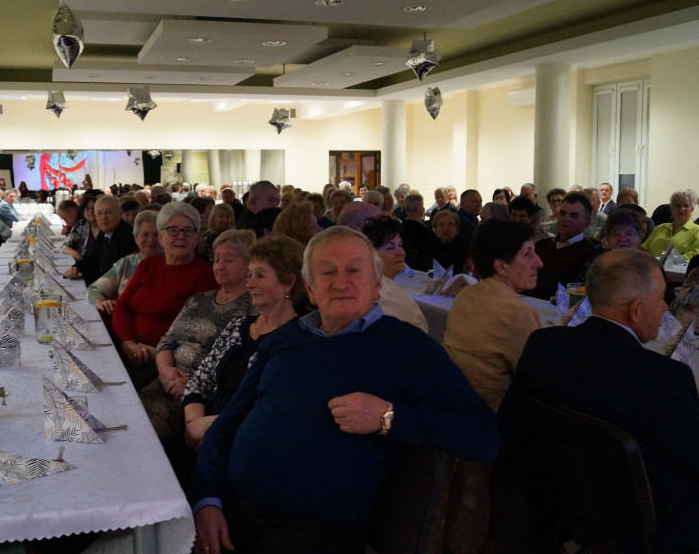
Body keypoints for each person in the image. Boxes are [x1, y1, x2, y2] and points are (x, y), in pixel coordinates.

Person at [190, 227, 498, 554]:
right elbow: (228, 424)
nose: (340, 282)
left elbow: (482, 435)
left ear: (377, 283)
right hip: (231, 508)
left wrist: (388, 417)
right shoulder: (286, 339)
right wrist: (206, 499)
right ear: (309, 287)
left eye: (354, 270)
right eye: (327, 272)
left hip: (314, 531)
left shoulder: (408, 349)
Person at [500, 249, 699, 553]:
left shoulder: (544, 344)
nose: (666, 308)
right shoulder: (662, 377)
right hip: (654, 523)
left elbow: (512, 426)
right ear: (637, 309)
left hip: (570, 498)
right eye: (660, 301)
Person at [182, 236, 304, 451]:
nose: (250, 283)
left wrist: (210, 428)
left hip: (245, 441)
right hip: (203, 427)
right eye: (249, 275)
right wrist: (194, 423)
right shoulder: (238, 326)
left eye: (260, 275)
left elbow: (269, 411)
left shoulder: (295, 340)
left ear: (289, 282)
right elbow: (200, 380)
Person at [141, 229, 257, 438]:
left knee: (143, 433)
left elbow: (234, 368)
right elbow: (167, 340)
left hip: (200, 396)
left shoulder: (252, 309)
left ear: (249, 265)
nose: (220, 266)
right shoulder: (198, 300)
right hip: (165, 381)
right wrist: (166, 371)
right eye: (216, 260)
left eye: (228, 260)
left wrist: (191, 385)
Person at [113, 203, 217, 388]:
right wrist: (127, 343)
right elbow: (122, 307)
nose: (181, 237)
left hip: (166, 365)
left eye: (188, 230)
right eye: (173, 230)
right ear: (161, 237)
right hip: (130, 352)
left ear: (197, 238)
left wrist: (157, 354)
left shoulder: (205, 276)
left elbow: (200, 337)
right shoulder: (149, 265)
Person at [444, 220, 542, 411]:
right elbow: (538, 381)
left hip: (455, 405)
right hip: (492, 419)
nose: (539, 262)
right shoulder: (517, 314)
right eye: (527, 254)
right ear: (501, 266)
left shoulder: (467, 294)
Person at [87, 210, 161, 318]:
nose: (151, 239)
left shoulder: (171, 263)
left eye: (156, 235)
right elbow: (94, 288)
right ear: (136, 238)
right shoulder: (128, 263)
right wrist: (100, 301)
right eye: (145, 234)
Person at [361, 216, 428, 333]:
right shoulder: (385, 294)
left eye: (400, 245)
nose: (401, 253)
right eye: (390, 248)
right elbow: (418, 331)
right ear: (371, 255)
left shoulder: (377, 285)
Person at [526, 192, 599, 300]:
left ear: (587, 222)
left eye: (574, 215)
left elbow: (578, 298)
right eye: (562, 213)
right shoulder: (542, 245)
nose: (565, 219)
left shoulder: (590, 255)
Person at [66, 195, 138, 285]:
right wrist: (76, 268)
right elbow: (92, 259)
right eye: (99, 213)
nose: (103, 218)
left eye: (108, 213)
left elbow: (115, 276)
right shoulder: (104, 233)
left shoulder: (127, 237)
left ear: (120, 213)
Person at [642, 189, 699, 259]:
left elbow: (694, 256)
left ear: (692, 209)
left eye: (686, 206)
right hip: (652, 268)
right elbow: (643, 250)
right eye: (678, 205)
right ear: (671, 209)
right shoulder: (660, 228)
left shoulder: (698, 231)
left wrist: (665, 263)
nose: (682, 209)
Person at [400, 193, 439, 271]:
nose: (424, 208)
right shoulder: (425, 231)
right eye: (422, 205)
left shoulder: (399, 227)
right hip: (420, 270)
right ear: (416, 208)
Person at [60, 190, 101, 263]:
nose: (90, 211)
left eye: (93, 208)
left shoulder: (105, 227)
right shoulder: (82, 225)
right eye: (87, 208)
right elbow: (64, 247)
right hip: (84, 267)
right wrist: (75, 254)